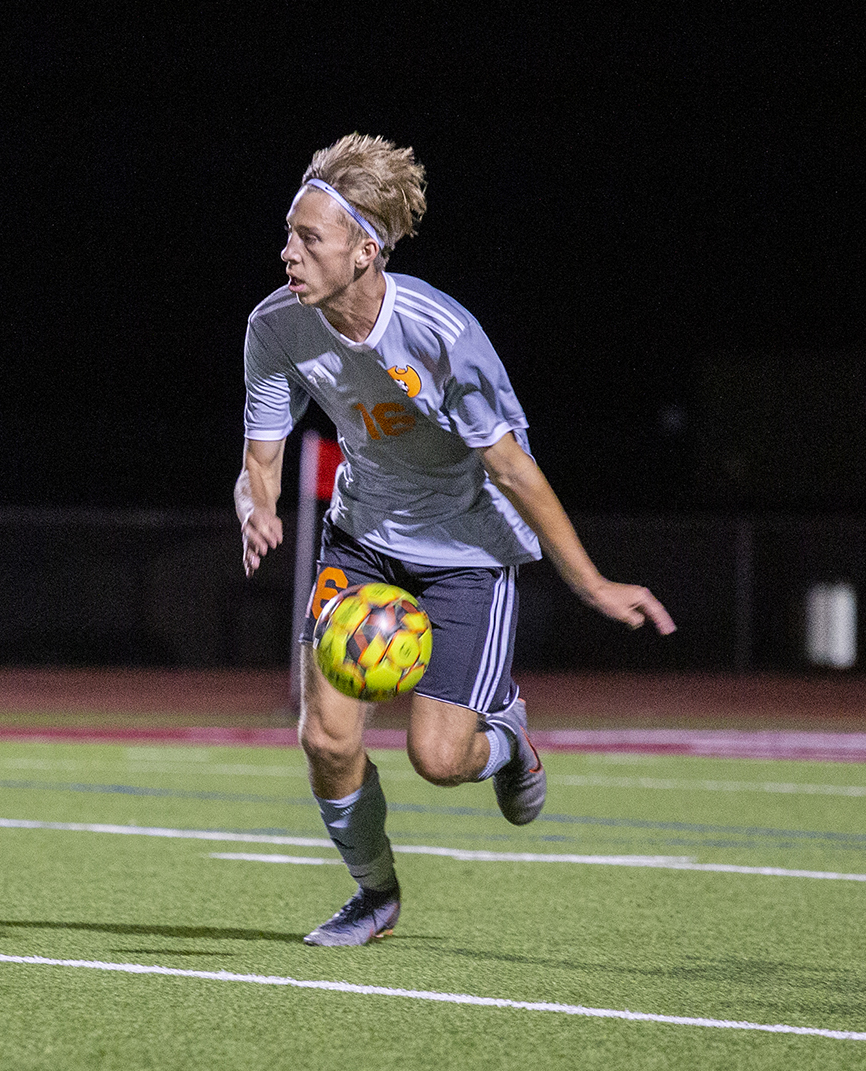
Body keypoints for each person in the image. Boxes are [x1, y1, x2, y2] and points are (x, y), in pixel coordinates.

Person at [236, 133, 675, 946]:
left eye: (309, 238)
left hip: (467, 550)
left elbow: (512, 469)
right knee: (326, 737)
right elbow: (262, 455)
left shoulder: (442, 335)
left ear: (365, 251)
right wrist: (257, 508)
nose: (287, 251)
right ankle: (374, 893)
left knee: (439, 758)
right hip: (361, 539)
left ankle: (506, 739)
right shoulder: (277, 325)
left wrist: (591, 583)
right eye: (290, 233)